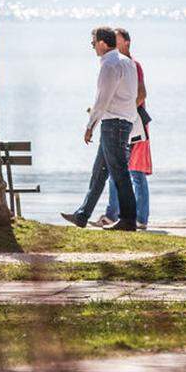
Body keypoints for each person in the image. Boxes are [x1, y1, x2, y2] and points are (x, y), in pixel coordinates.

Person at [60, 26, 139, 231]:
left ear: (103, 44)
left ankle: (129, 219)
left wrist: (90, 126)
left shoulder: (110, 66)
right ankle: (82, 215)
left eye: (93, 42)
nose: (92, 46)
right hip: (124, 121)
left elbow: (102, 101)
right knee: (99, 172)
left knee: (119, 173)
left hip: (113, 123)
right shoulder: (127, 62)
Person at [93, 27, 152, 229]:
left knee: (135, 172)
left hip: (132, 123)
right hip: (124, 119)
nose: (114, 45)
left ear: (126, 42)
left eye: (117, 41)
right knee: (116, 168)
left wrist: (124, 111)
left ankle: (139, 218)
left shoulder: (132, 65)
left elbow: (141, 94)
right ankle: (113, 214)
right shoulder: (118, 63)